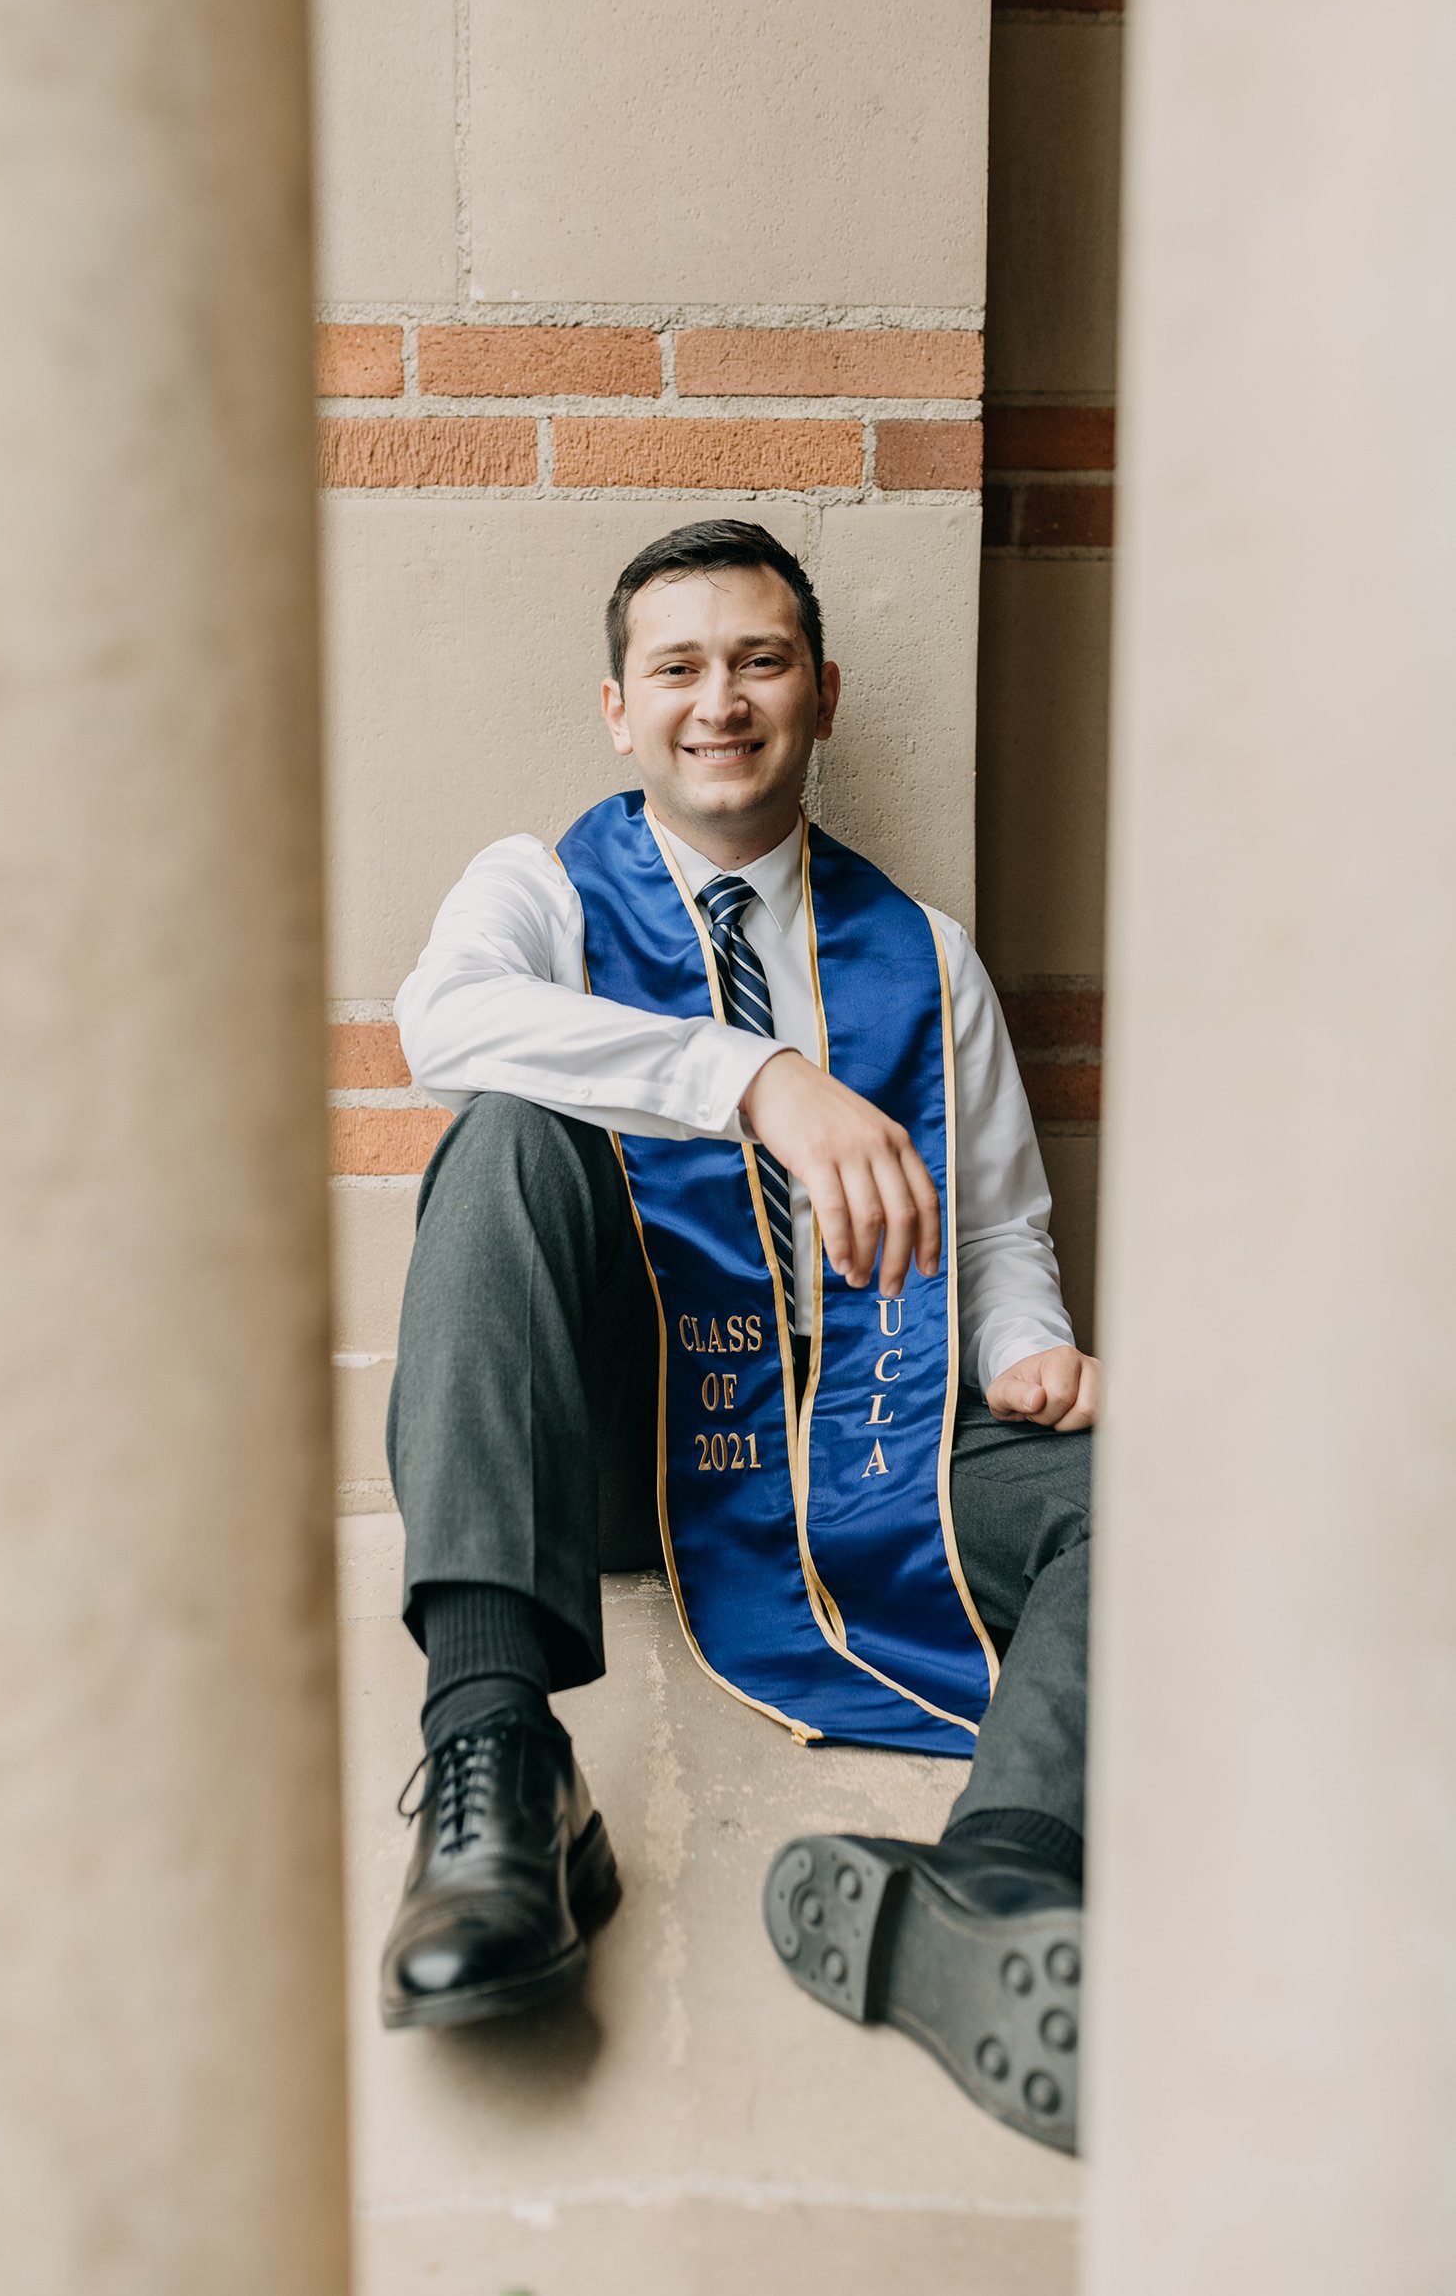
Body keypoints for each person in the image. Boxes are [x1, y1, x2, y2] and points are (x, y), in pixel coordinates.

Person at [380, 520, 1100, 2155]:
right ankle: (495, 1755)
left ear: (823, 694)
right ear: (618, 709)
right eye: (680, 667)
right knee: (499, 1138)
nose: (723, 699)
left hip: (881, 1426)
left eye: (761, 660)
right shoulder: (541, 888)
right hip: (623, 1438)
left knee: (1141, 1487)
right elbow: (444, 1020)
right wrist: (753, 1075)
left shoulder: (925, 953)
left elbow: (998, 1232)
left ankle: (998, 1885)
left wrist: (1028, 1356)